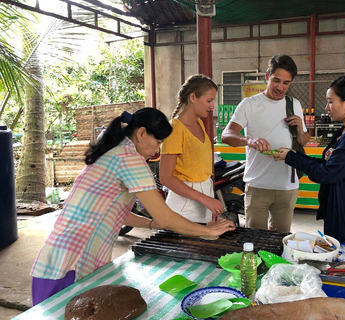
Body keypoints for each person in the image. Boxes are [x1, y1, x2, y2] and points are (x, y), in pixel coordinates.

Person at [30, 108, 235, 305]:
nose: (158, 150)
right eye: (158, 141)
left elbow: (118, 214)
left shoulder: (112, 152)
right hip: (70, 265)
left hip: (57, 261)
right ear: (141, 133)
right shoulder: (130, 159)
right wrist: (205, 231)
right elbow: (165, 217)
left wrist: (153, 224)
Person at [271, 75, 345, 244]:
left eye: (331, 101)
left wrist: (292, 158)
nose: (326, 107)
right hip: (340, 208)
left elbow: (327, 173)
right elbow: (329, 164)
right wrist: (294, 154)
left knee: (340, 260)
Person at [221, 54, 309, 232]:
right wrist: (249, 140)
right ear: (267, 76)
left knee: (280, 238)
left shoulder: (294, 104)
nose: (280, 87)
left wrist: (300, 128)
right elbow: (227, 135)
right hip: (258, 184)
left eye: (286, 83)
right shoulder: (250, 104)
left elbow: (303, 141)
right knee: (254, 238)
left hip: (287, 185)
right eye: (276, 80)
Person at [159, 75, 225, 223]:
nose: (212, 106)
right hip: (183, 206)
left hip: (204, 200)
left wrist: (210, 200)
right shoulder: (175, 129)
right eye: (209, 101)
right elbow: (165, 177)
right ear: (193, 97)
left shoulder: (199, 124)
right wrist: (205, 199)